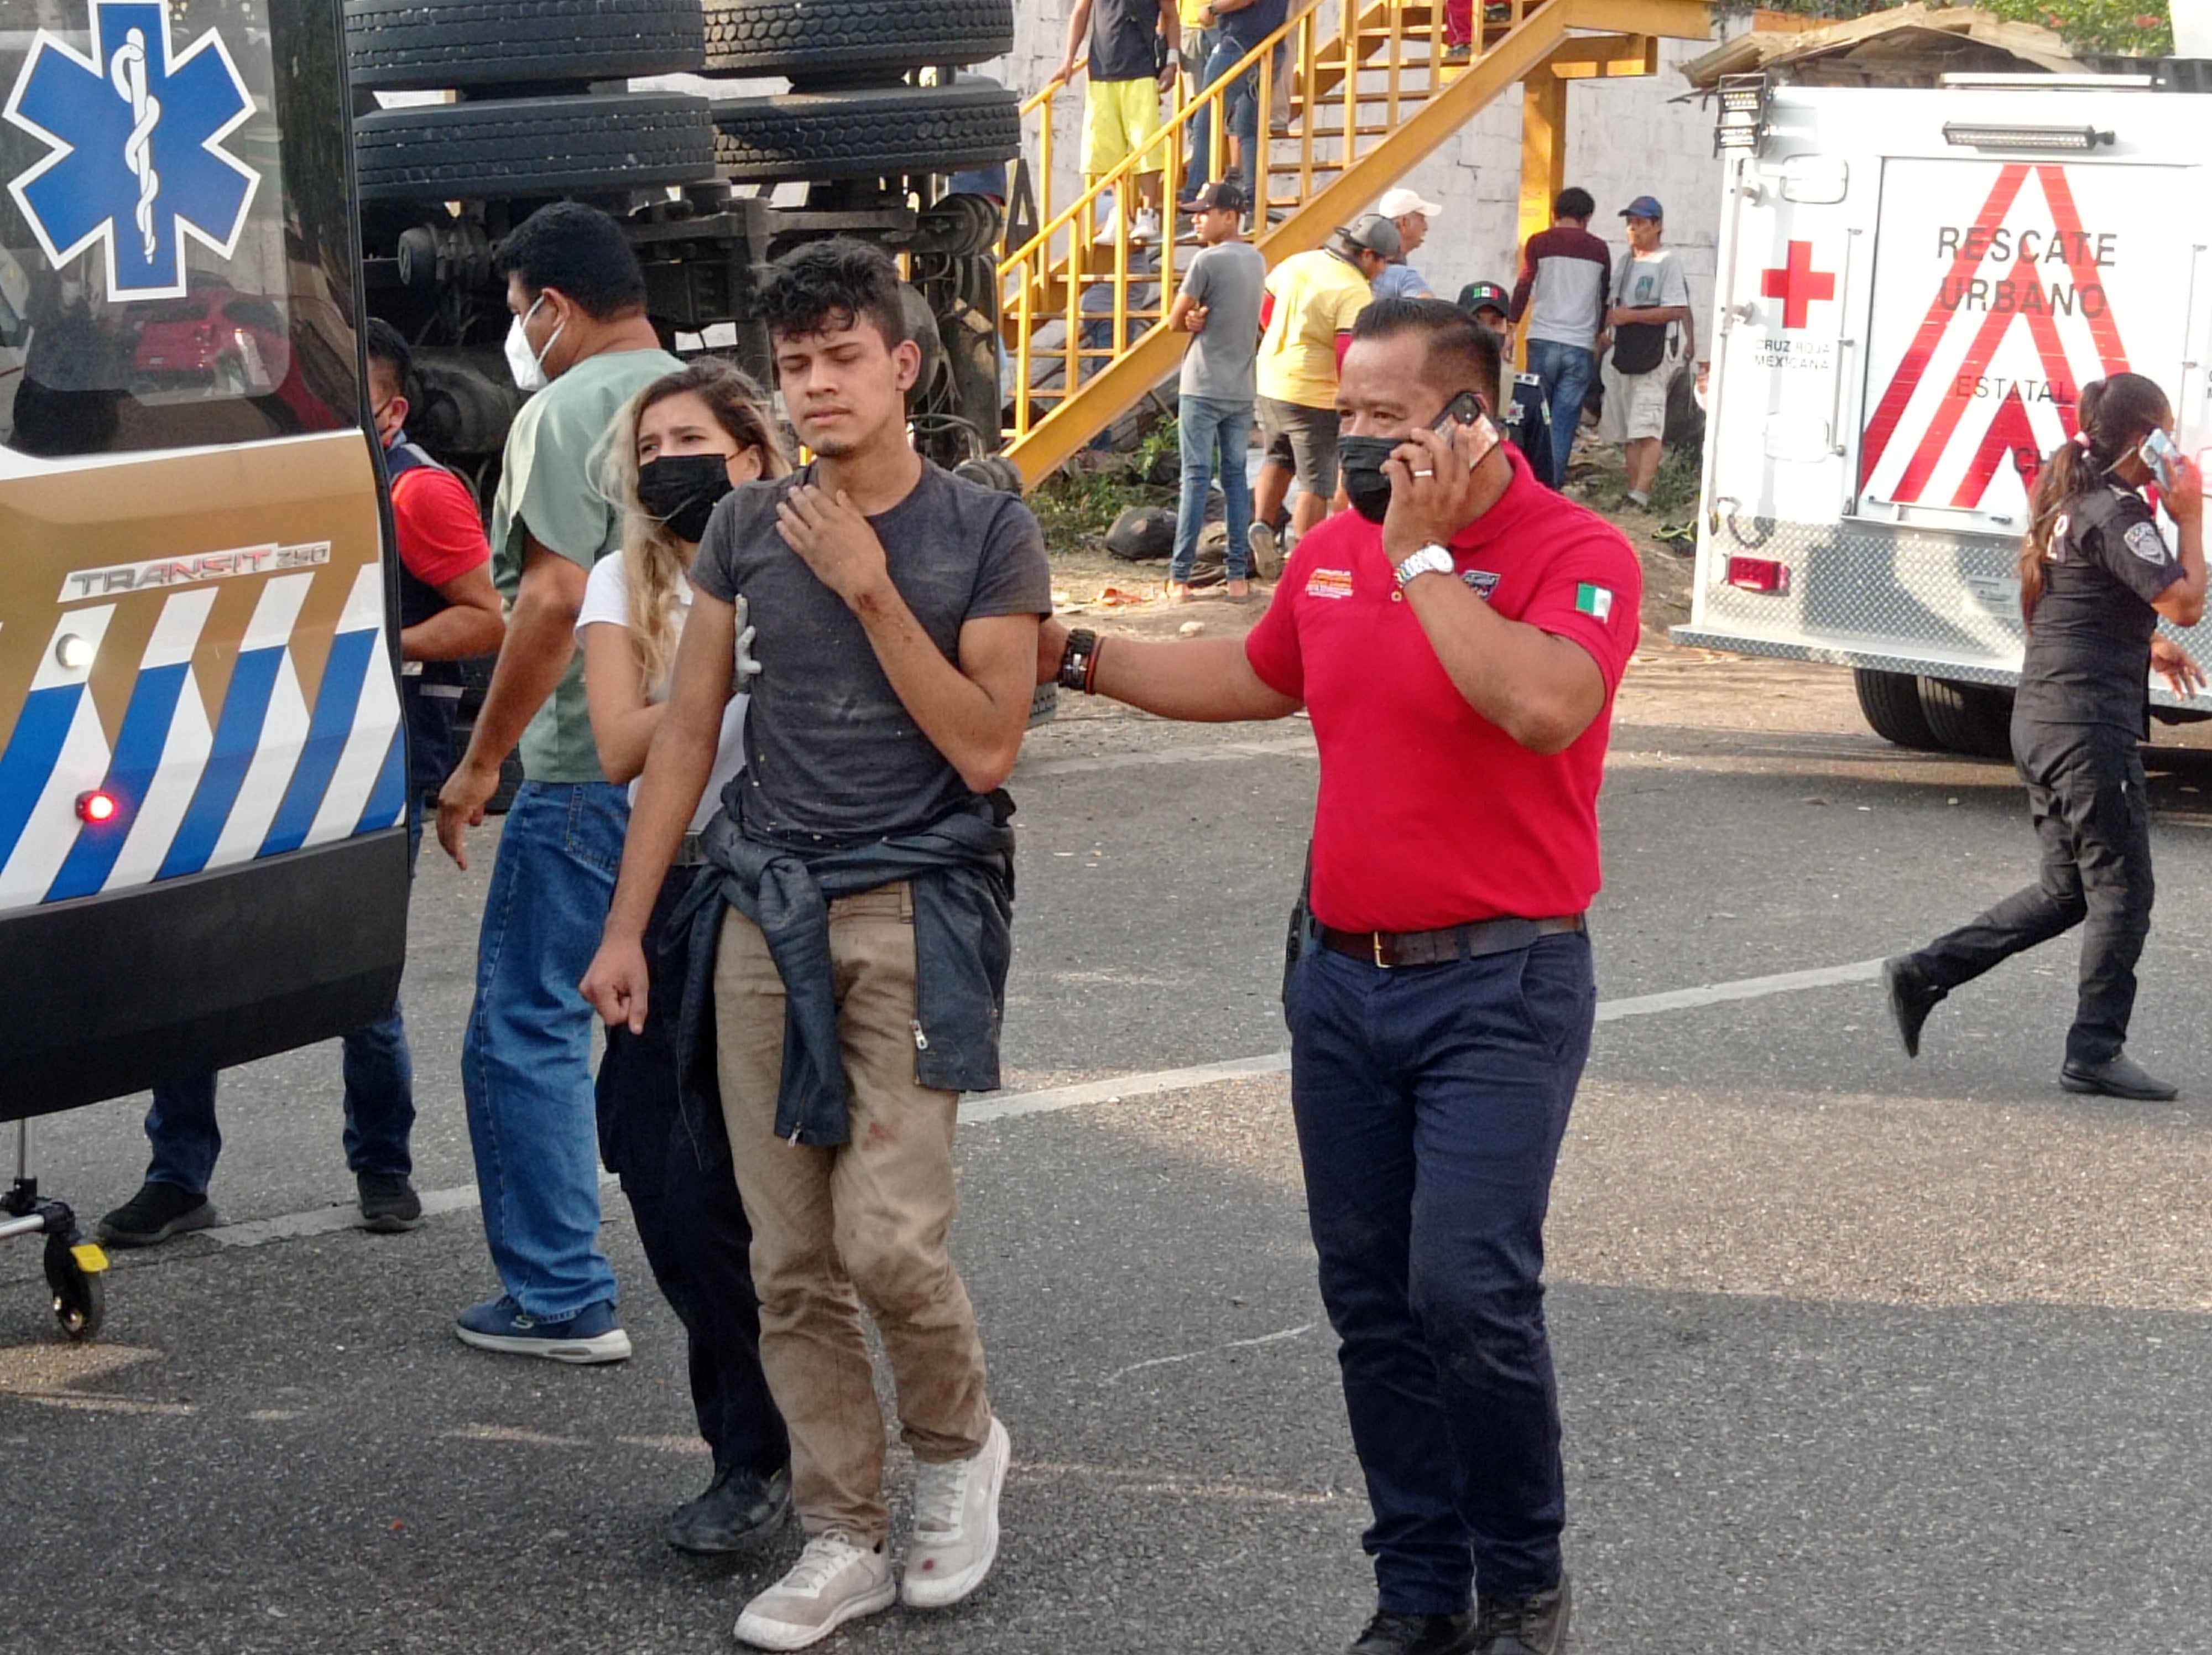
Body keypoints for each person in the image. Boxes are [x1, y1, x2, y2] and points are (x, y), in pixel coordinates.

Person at [1040, 298, 1639, 1655]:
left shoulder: (1576, 551)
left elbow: (1541, 702)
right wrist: (1073, 653)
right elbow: (1258, 676)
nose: (1354, 439)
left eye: (1386, 416)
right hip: (1340, 983)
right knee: (1369, 1300)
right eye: (1346, 411)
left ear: (1471, 418)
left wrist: (1422, 559)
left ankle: (1522, 1585)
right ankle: (1419, 1592)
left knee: (1468, 1292)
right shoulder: (1331, 550)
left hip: (1501, 984)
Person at [581, 239, 1051, 1651]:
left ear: (902, 366)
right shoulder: (739, 529)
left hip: (917, 908)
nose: (817, 385)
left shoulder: (984, 530)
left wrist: (862, 582)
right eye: (794, 365)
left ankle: (961, 1449)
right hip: (757, 911)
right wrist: (625, 929)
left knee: (888, 1239)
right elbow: (676, 743)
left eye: (843, 357)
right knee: (784, 1259)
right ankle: (842, 1528)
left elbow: (982, 745)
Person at [96, 320, 505, 1250]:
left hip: (375, 762)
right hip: (235, 753)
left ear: (392, 407)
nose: (304, 410)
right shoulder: (262, 486)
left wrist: (371, 645)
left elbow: (489, 620)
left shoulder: (417, 493)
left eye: (334, 393)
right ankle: (178, 1174)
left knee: (358, 979)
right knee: (189, 969)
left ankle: (383, 1167)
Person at [437, 201, 683, 1364]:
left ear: (552, 306)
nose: (512, 334)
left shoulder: (563, 408)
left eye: (513, 310)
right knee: (677, 1021)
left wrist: (483, 760)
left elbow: (544, 601)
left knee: (526, 1019)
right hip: (699, 755)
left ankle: (558, 1291)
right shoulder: (710, 399)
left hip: (588, 760)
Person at [579, 359, 795, 1552]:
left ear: (753, 454)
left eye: (693, 440)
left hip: (804, 897)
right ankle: (749, 1442)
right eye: (651, 445)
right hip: (675, 896)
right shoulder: (626, 579)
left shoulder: (815, 553)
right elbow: (619, 740)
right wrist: (730, 662)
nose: (671, 462)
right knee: (665, 1182)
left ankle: (794, 1439)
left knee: (799, 1194)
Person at [1886, 374, 2206, 1101]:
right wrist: (2189, 516)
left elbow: (2076, 599)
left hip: (2044, 719)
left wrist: (2146, 642)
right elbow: (2188, 601)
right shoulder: (2120, 510)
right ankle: (2095, 1053)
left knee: (2068, 891)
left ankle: (1926, 971)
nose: (2173, 450)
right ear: (2143, 440)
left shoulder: (2071, 501)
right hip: (2086, 729)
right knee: (2125, 894)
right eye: (2165, 435)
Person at [1250, 213, 1398, 577]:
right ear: (1367, 255)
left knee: (1277, 456)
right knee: (1317, 481)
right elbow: (1346, 350)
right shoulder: (1353, 289)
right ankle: (1306, 555)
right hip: (1314, 393)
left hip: (1271, 379)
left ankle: (1261, 528)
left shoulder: (1300, 262)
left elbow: (1264, 311)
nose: (1382, 270)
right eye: (1383, 262)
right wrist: (1356, 397)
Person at [1166, 179, 1267, 602]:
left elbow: (1174, 321)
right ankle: (1238, 577)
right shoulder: (1258, 261)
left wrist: (1190, 320)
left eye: (1205, 212)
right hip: (1241, 389)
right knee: (1236, 480)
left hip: (1203, 384)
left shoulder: (1206, 262)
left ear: (1230, 216)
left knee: (1195, 478)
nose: (1198, 219)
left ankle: (1179, 578)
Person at [1052, 0, 1180, 246]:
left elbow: (1171, 15)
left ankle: (1148, 212)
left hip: (1142, 68)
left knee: (1146, 144)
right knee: (1107, 148)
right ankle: (1120, 212)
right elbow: (1080, 11)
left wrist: (1172, 62)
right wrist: (1068, 57)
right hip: (1102, 70)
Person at [1507, 186, 1609, 486]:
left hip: (1542, 340)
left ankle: (1527, 484)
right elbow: (1603, 297)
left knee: (1534, 416)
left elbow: (1524, 285)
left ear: (1555, 213)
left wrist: (1511, 327)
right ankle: (1551, 488)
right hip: (1579, 345)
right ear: (1587, 217)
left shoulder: (1539, 243)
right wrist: (1600, 332)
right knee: (1564, 422)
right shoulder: (1600, 250)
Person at [1597, 194, 1692, 511]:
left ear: (1658, 226)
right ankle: (1631, 492)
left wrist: (1632, 316)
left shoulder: (1667, 262)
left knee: (1648, 425)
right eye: (1630, 223)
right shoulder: (1625, 263)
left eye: (1640, 223)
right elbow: (1614, 305)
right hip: (1623, 349)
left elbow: (1676, 309)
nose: (1633, 229)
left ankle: (1642, 493)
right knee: (1627, 428)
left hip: (1652, 351)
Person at [1181, 0, 1286, 216]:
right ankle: (1252, 201)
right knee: (1247, 127)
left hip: (1238, 44)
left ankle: (1195, 195)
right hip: (1268, 45)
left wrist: (1214, 8)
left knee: (1206, 123)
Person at [1459, 282, 1556, 491]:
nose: (1486, 331)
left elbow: (1544, 474)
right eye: (1477, 321)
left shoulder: (1526, 392)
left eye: (1495, 323)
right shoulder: (1439, 387)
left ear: (1509, 332)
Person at [1370, 185, 1441, 301]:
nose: (1426, 227)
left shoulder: (1365, 266)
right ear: (1404, 222)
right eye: (1422, 219)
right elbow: (1426, 315)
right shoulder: (1406, 278)